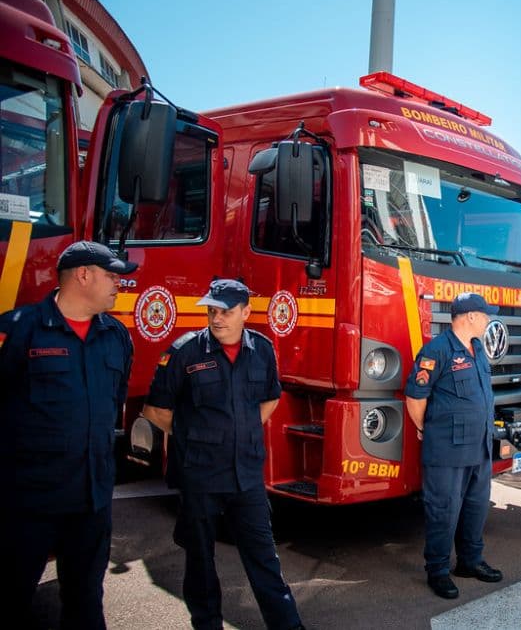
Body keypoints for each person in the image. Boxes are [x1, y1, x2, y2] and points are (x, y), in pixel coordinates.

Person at [141, 279, 304, 630]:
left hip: (247, 476)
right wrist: (198, 437)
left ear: (246, 312)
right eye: (212, 311)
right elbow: (155, 410)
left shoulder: (262, 349)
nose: (217, 319)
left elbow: (271, 397)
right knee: (200, 561)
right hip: (200, 475)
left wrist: (240, 430)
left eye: (226, 312)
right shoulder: (185, 352)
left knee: (264, 559)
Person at [0, 241, 137, 629]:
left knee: (86, 601)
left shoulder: (116, 336)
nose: (119, 284)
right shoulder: (17, 329)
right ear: (83, 275)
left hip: (91, 503)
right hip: (29, 504)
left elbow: (113, 402)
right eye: (111, 276)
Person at [404, 292, 503, 599]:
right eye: (485, 315)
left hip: (479, 447)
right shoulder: (437, 351)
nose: (488, 320)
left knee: (475, 508)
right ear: (470, 316)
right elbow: (415, 398)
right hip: (448, 449)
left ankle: (470, 561)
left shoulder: (477, 349)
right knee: (444, 511)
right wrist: (426, 428)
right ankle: (437, 570)